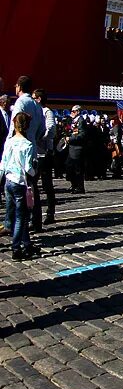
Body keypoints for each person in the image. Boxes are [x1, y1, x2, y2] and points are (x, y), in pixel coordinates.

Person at [0, 113, 37, 260]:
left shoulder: (9, 142)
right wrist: (35, 171)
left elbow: (3, 163)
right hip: (19, 182)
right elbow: (28, 168)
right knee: (21, 217)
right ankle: (16, 247)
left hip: (8, 180)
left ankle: (26, 243)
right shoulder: (27, 144)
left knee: (14, 213)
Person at [32, 89, 56, 226]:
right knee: (33, 184)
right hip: (35, 152)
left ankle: (50, 212)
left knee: (47, 185)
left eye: (34, 98)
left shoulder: (46, 112)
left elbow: (51, 129)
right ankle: (34, 214)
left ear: (39, 99)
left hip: (45, 153)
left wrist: (39, 137)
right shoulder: (35, 112)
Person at [65, 105, 87, 194]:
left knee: (77, 169)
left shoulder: (81, 121)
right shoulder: (74, 120)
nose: (71, 113)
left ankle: (79, 187)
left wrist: (70, 139)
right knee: (69, 167)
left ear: (78, 112)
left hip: (77, 148)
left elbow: (82, 135)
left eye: (73, 111)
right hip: (72, 148)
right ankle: (74, 185)